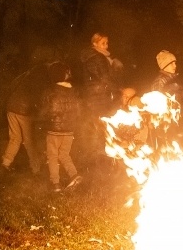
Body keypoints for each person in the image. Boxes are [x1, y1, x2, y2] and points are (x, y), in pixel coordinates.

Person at [79, 33, 122, 165]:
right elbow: (105, 79)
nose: (106, 46)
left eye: (107, 43)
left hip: (96, 97)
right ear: (95, 44)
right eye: (103, 43)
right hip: (99, 98)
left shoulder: (97, 57)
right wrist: (118, 90)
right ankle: (100, 160)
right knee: (101, 128)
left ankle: (99, 158)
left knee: (99, 128)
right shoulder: (97, 58)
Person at [39, 62, 82, 192]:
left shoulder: (50, 91)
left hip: (54, 130)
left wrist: (42, 120)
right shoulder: (74, 91)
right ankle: (74, 175)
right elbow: (79, 111)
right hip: (69, 130)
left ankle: (55, 183)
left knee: (52, 156)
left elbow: (45, 111)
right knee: (64, 154)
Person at [0, 63, 49, 175]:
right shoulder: (39, 79)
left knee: (15, 138)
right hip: (24, 110)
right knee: (29, 140)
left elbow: (11, 88)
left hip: (11, 107)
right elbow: (38, 97)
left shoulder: (24, 76)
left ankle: (6, 163)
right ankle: (36, 168)